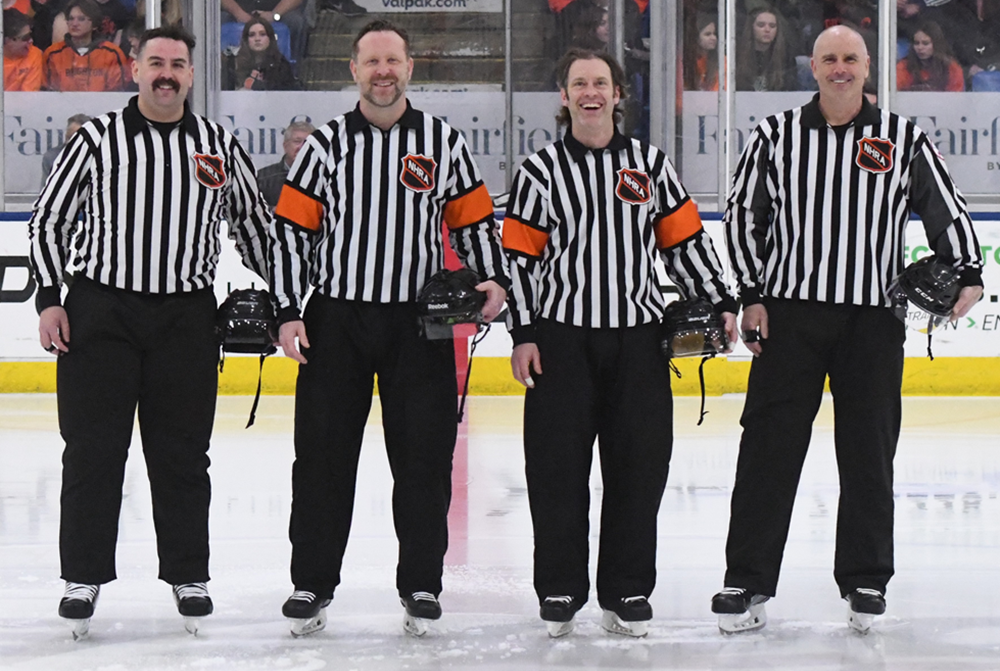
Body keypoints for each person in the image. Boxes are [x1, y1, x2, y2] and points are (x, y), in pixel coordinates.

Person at [711, 25, 984, 634]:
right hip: (789, 315)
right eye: (829, 58)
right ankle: (746, 581)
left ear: (868, 67)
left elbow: (946, 206)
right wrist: (751, 295)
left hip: (872, 319)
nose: (840, 68)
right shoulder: (775, 135)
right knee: (767, 451)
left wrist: (968, 268)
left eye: (851, 59)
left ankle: (865, 579)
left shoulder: (901, 136)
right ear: (813, 67)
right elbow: (741, 216)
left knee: (868, 454)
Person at [26, 24, 272, 637]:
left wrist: (290, 299)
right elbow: (48, 221)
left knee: (183, 456)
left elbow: (255, 226)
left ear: (192, 75)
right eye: (155, 62)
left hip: (186, 318)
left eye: (178, 64)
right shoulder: (98, 139)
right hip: (101, 314)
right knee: (92, 453)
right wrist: (50, 299)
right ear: (133, 69)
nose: (167, 73)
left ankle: (188, 575)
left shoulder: (217, 144)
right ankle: (82, 577)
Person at [269, 19, 508, 637]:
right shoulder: (323, 146)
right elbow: (292, 235)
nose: (383, 71)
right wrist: (290, 309)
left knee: (425, 461)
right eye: (371, 60)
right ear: (353, 70)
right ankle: (311, 584)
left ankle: (422, 585)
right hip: (335, 320)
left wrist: (492, 279)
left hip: (417, 324)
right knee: (321, 460)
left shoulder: (442, 141)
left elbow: (476, 223)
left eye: (393, 60)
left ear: (409, 68)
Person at [503, 47, 738, 639]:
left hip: (638, 340)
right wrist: (524, 333)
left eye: (600, 82)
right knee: (557, 471)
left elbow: (684, 243)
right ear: (564, 96)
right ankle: (559, 588)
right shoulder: (538, 171)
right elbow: (520, 265)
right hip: (560, 340)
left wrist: (722, 300)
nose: (591, 92)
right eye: (579, 82)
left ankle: (627, 589)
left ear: (617, 94)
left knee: (639, 469)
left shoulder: (649, 164)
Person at [42, 0, 129, 91]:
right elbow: (48, 94)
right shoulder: (53, 54)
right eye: (71, 19)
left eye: (81, 19)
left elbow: (117, 96)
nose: (74, 24)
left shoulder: (112, 54)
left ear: (94, 25)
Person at [222, 15, 301, 91]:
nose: (257, 39)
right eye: (252, 35)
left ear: (270, 39)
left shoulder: (282, 65)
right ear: (246, 40)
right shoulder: (233, 64)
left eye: (262, 34)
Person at [220, 0, 308, 65]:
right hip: (238, 13)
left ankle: (291, 74)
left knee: (295, 21)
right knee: (218, 20)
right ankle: (222, 76)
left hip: (278, 13)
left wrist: (274, 14)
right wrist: (238, 13)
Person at [736, 5, 798, 91]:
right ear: (751, 28)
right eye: (761, 25)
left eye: (772, 26)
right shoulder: (737, 57)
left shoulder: (786, 59)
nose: (767, 30)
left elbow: (790, 91)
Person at [256, 120, 313, 210]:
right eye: (297, 141)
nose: (302, 147)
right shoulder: (263, 178)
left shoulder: (324, 177)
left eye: (307, 143)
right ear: (285, 146)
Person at [896, 21, 964, 91]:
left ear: (936, 44)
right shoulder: (904, 66)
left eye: (925, 43)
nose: (920, 47)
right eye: (916, 43)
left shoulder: (951, 67)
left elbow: (956, 97)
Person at [40, 113, 91, 188]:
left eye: (78, 139)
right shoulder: (52, 157)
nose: (72, 143)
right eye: (69, 137)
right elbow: (45, 189)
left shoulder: (99, 157)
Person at [3, 9, 43, 91]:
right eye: (26, 37)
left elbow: (28, 97)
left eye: (30, 35)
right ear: (7, 41)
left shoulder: (34, 54)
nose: (31, 41)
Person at [684, 13, 719, 91]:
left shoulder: (722, 61)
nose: (713, 38)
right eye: (707, 34)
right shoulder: (685, 61)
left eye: (715, 34)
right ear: (696, 37)